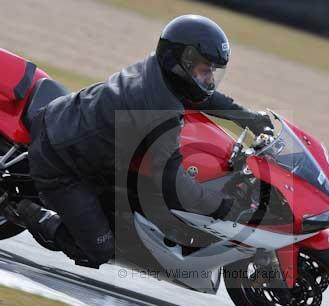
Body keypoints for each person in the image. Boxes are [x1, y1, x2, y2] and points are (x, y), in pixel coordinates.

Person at [18, 14, 273, 268]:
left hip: (79, 135)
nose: (209, 79)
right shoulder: (159, 109)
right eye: (205, 70)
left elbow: (201, 96)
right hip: (59, 164)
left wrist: (246, 117)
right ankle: (30, 213)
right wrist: (222, 207)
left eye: (212, 72)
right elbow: (173, 180)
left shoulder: (161, 75)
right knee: (98, 250)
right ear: (183, 61)